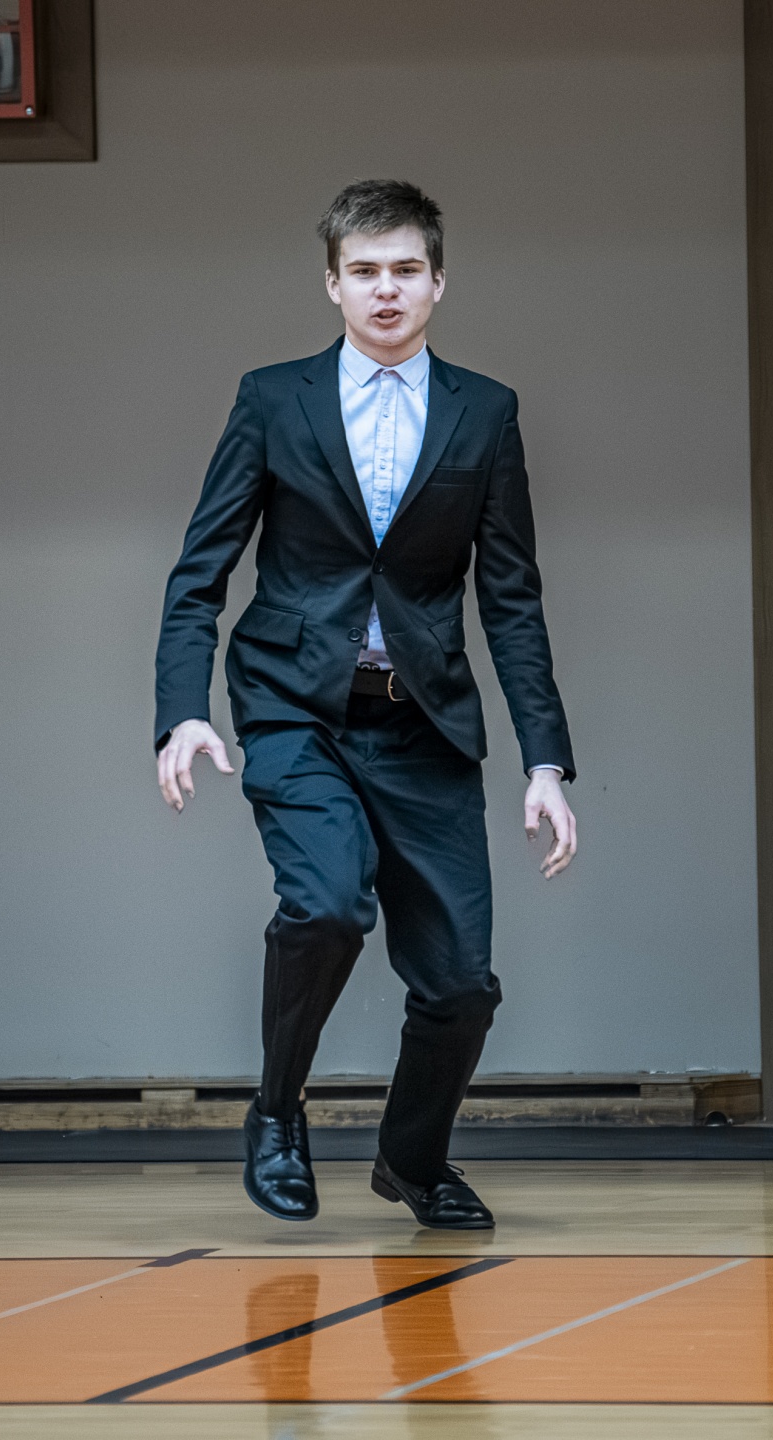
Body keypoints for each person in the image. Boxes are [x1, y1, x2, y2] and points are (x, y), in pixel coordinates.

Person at [154, 180, 576, 1230]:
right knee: (329, 905)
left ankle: (411, 1160)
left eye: (405, 270)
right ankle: (276, 1110)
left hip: (425, 723)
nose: (386, 289)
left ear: (438, 282)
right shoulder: (273, 398)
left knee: (462, 986)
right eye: (364, 271)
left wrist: (545, 763)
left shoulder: (486, 411)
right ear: (333, 285)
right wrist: (183, 709)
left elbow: (511, 598)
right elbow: (200, 572)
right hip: (296, 707)